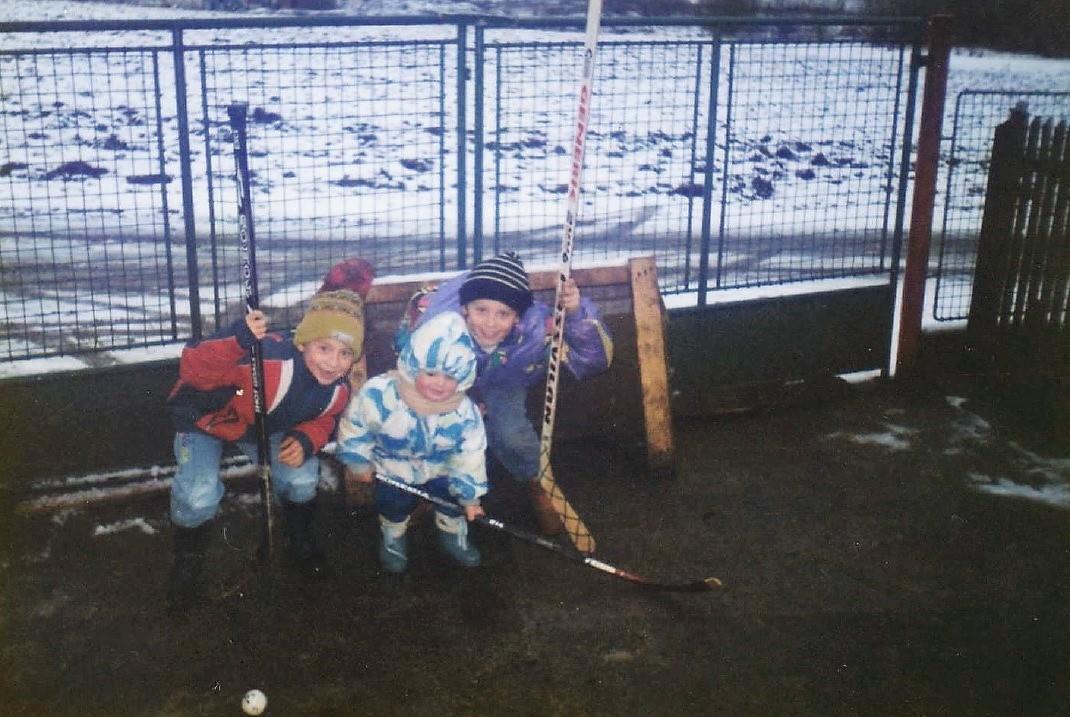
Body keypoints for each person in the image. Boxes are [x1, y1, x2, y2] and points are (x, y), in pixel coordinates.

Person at [165, 258, 373, 612]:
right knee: (198, 493)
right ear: (304, 342)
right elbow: (195, 369)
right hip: (206, 419)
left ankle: (299, 540)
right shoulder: (268, 359)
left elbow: (326, 419)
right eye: (323, 348)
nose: (332, 362)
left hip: (264, 426)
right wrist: (236, 339)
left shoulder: (336, 389)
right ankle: (187, 563)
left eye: (344, 354)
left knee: (302, 477)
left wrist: (308, 438)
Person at [395, 251, 612, 535]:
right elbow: (405, 354)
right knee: (432, 428)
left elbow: (594, 360)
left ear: (518, 316)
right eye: (481, 310)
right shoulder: (437, 325)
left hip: (504, 380)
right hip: (448, 380)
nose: (490, 323)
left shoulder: (537, 330)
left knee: (511, 433)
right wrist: (457, 401)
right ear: (465, 308)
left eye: (504, 314)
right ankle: (430, 490)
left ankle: (537, 482)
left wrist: (574, 314)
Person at [337, 311, 487, 574]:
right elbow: (355, 426)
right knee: (393, 504)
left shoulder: (464, 411)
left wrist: (470, 495)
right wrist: (357, 462)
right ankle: (393, 534)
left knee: (450, 500)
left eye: (450, 377)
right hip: (392, 468)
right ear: (413, 365)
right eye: (430, 373)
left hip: (442, 467)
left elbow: (470, 453)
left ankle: (451, 529)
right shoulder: (380, 395)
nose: (440, 384)